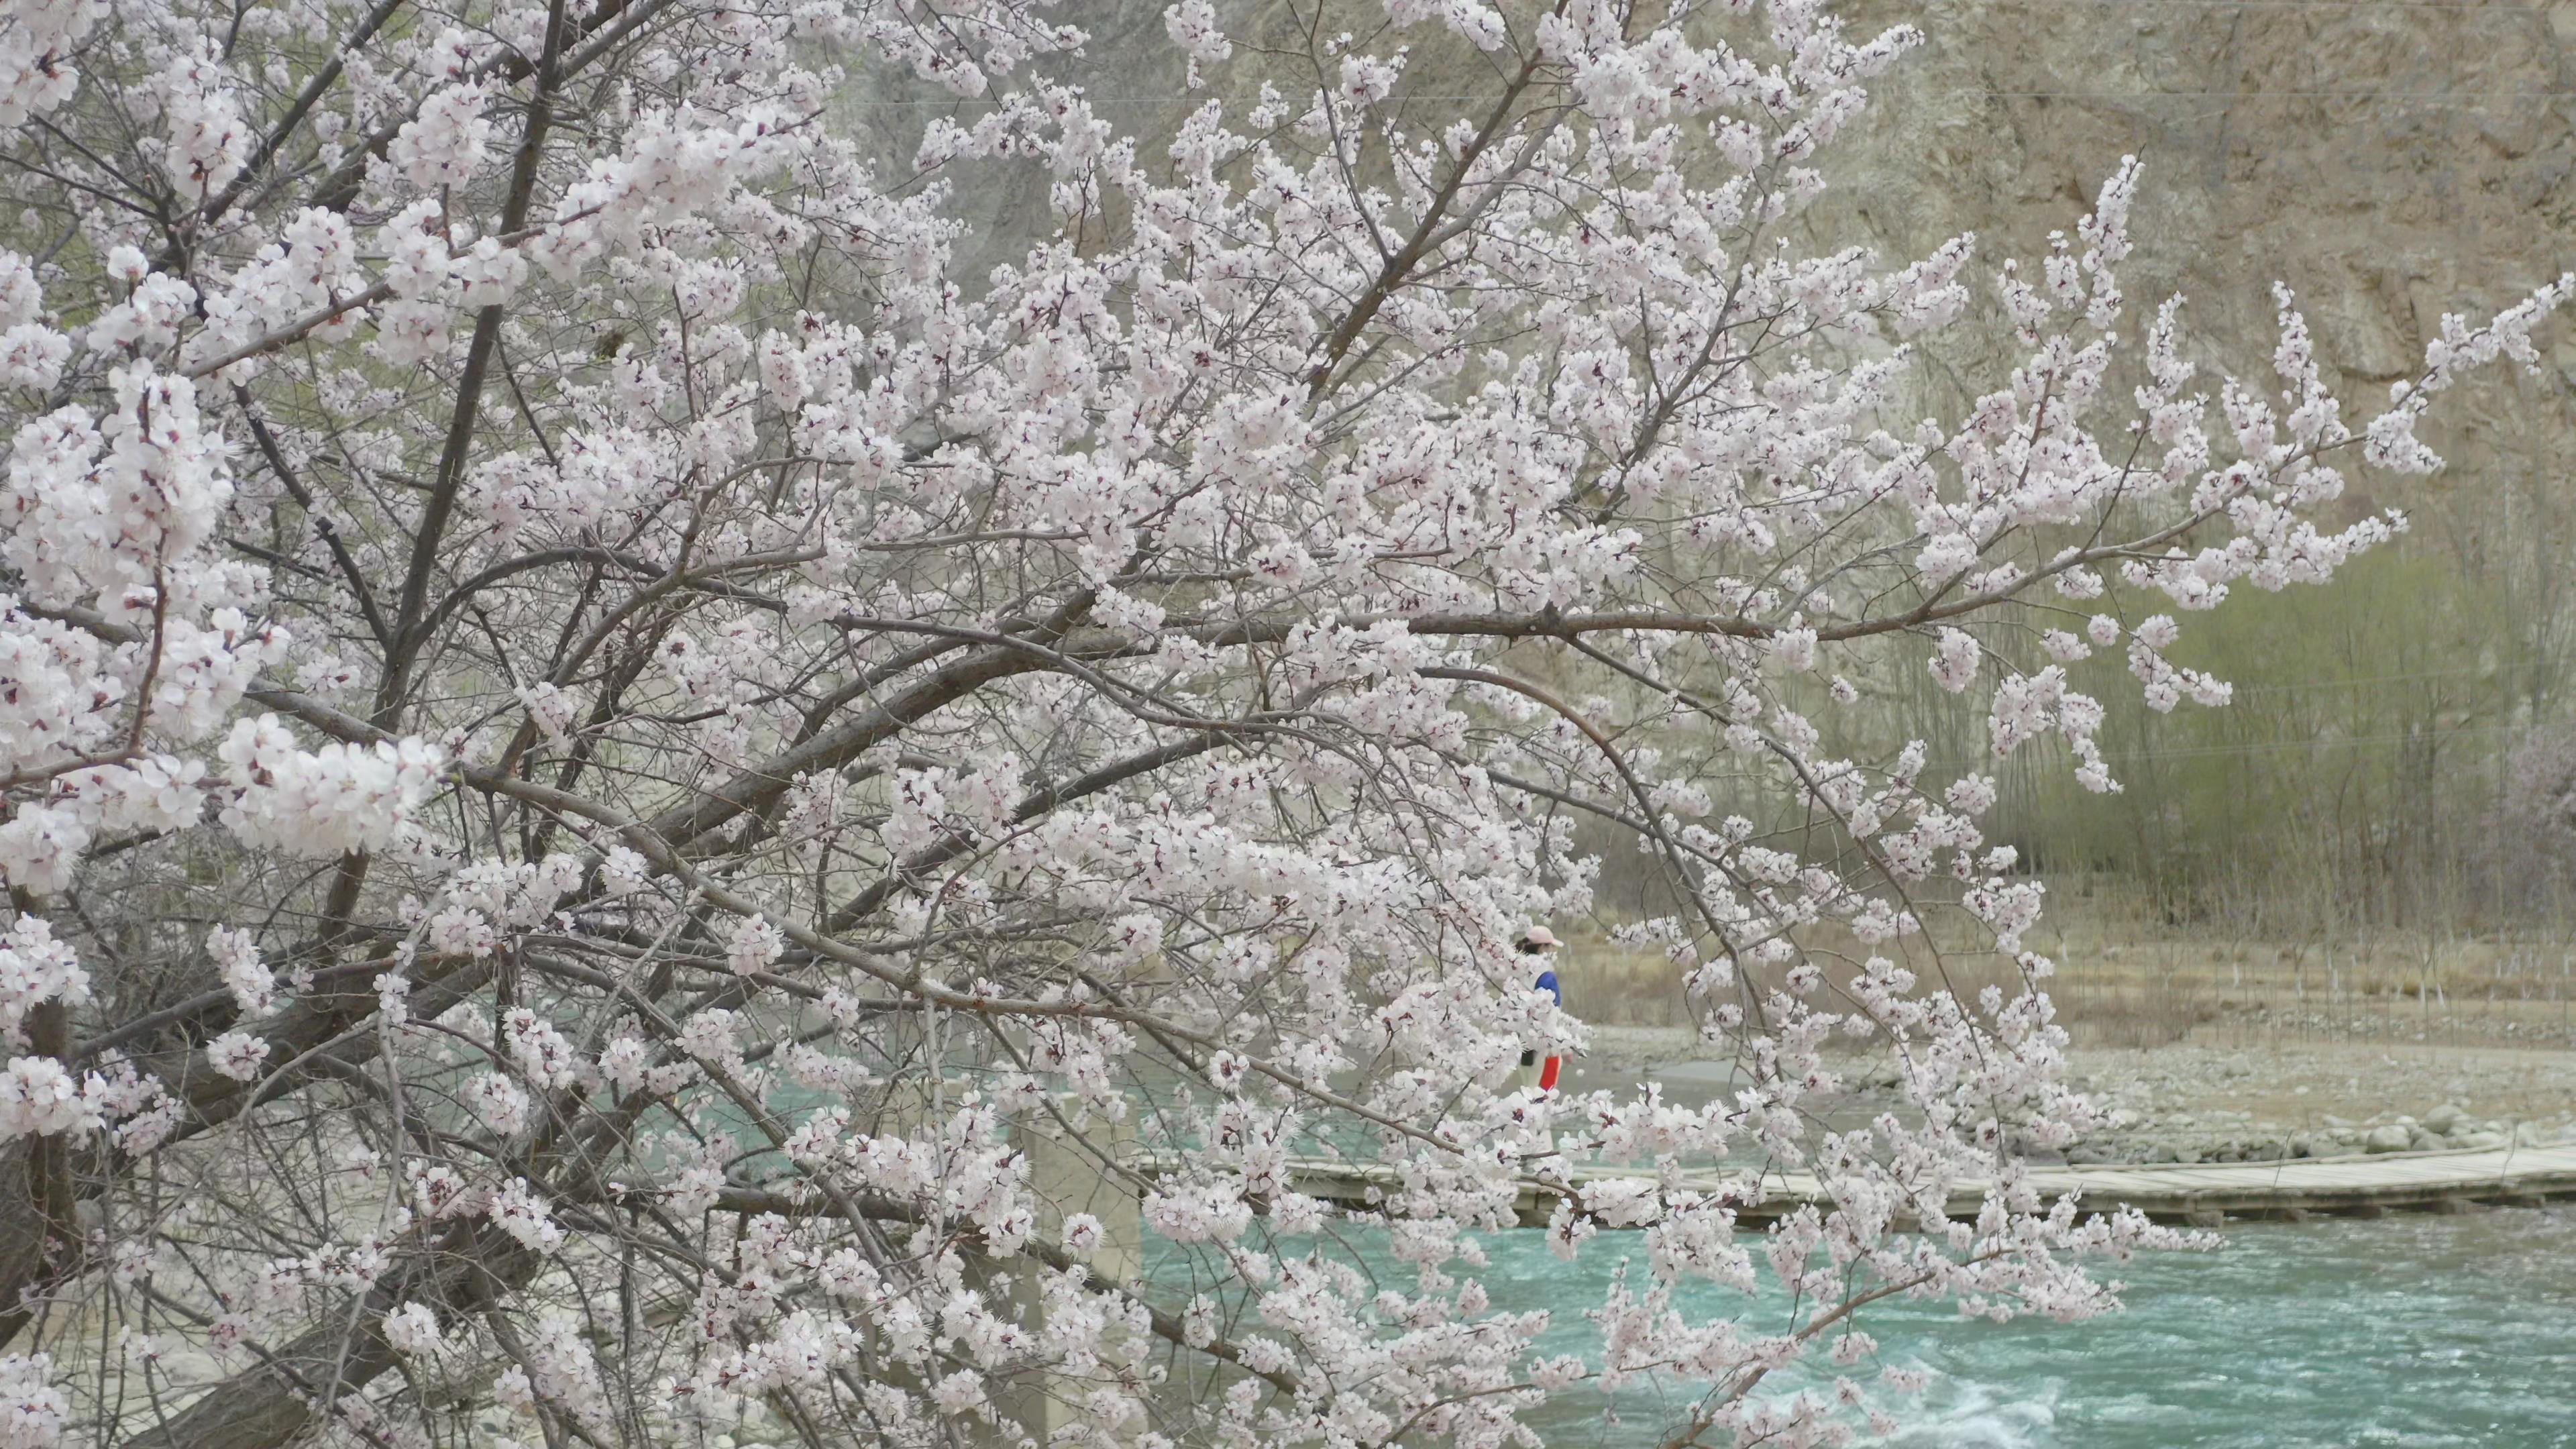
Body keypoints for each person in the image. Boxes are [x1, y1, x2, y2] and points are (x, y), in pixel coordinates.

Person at [1515, 926, 1564, 1094]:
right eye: (1550, 947)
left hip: (1518, 1037)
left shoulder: (1516, 965)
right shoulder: (1545, 971)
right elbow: (1552, 1006)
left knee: (1527, 1086)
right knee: (1543, 1092)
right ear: (1543, 947)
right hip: (1542, 1038)